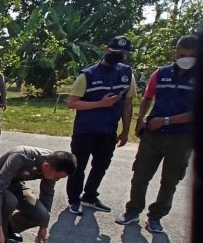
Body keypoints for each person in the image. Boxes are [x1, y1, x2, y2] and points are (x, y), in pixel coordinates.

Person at [115, 35, 197, 233]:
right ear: (175, 53)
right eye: (182, 54)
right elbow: (147, 97)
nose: (186, 58)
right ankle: (133, 210)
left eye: (191, 55)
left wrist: (167, 121)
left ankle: (156, 216)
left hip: (182, 137)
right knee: (140, 175)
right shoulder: (161, 73)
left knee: (170, 181)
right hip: (153, 134)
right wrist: (141, 119)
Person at [66, 35, 136, 215]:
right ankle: (74, 200)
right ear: (106, 49)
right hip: (85, 130)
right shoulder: (87, 75)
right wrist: (100, 104)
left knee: (101, 165)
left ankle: (89, 196)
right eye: (115, 52)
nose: (118, 55)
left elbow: (127, 105)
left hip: (108, 131)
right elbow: (72, 103)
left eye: (122, 54)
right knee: (78, 166)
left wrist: (125, 130)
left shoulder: (127, 74)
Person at [0, 147, 77, 243]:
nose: (56, 180)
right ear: (46, 166)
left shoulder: (53, 164)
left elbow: (47, 194)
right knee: (10, 200)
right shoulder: (21, 156)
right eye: (57, 177)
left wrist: (43, 226)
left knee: (43, 215)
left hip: (14, 184)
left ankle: (9, 228)